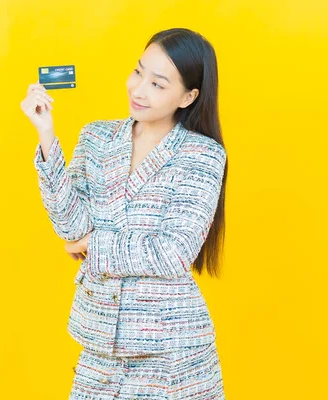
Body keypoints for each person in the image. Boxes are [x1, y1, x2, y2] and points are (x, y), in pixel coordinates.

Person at [21, 27, 228, 399]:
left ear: (188, 96)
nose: (138, 89)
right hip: (99, 343)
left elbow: (174, 252)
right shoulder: (97, 137)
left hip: (171, 351)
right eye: (138, 72)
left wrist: (94, 245)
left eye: (158, 84)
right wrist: (47, 136)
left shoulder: (203, 155)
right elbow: (70, 226)